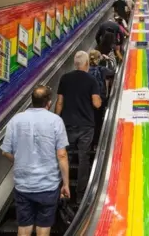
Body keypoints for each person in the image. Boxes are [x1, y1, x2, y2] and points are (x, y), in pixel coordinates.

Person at [1, 85, 70, 236]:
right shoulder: (55, 121)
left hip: (23, 186)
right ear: (49, 103)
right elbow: (62, 155)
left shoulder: (16, 120)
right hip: (48, 186)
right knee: (43, 229)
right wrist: (65, 184)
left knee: (24, 228)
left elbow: (5, 151)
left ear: (31, 101)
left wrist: (19, 160)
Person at [55, 51, 101, 203]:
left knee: (63, 156)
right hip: (86, 126)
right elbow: (96, 103)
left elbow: (59, 102)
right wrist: (99, 100)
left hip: (67, 124)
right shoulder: (91, 80)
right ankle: (80, 195)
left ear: (75, 63)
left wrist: (56, 120)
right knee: (83, 158)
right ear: (87, 63)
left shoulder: (65, 78)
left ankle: (61, 190)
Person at [88, 50, 115, 145]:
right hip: (100, 99)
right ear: (99, 59)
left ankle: (89, 143)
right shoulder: (102, 69)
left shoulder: (85, 70)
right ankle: (96, 142)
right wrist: (108, 59)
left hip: (88, 100)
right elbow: (113, 71)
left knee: (90, 120)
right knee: (98, 121)